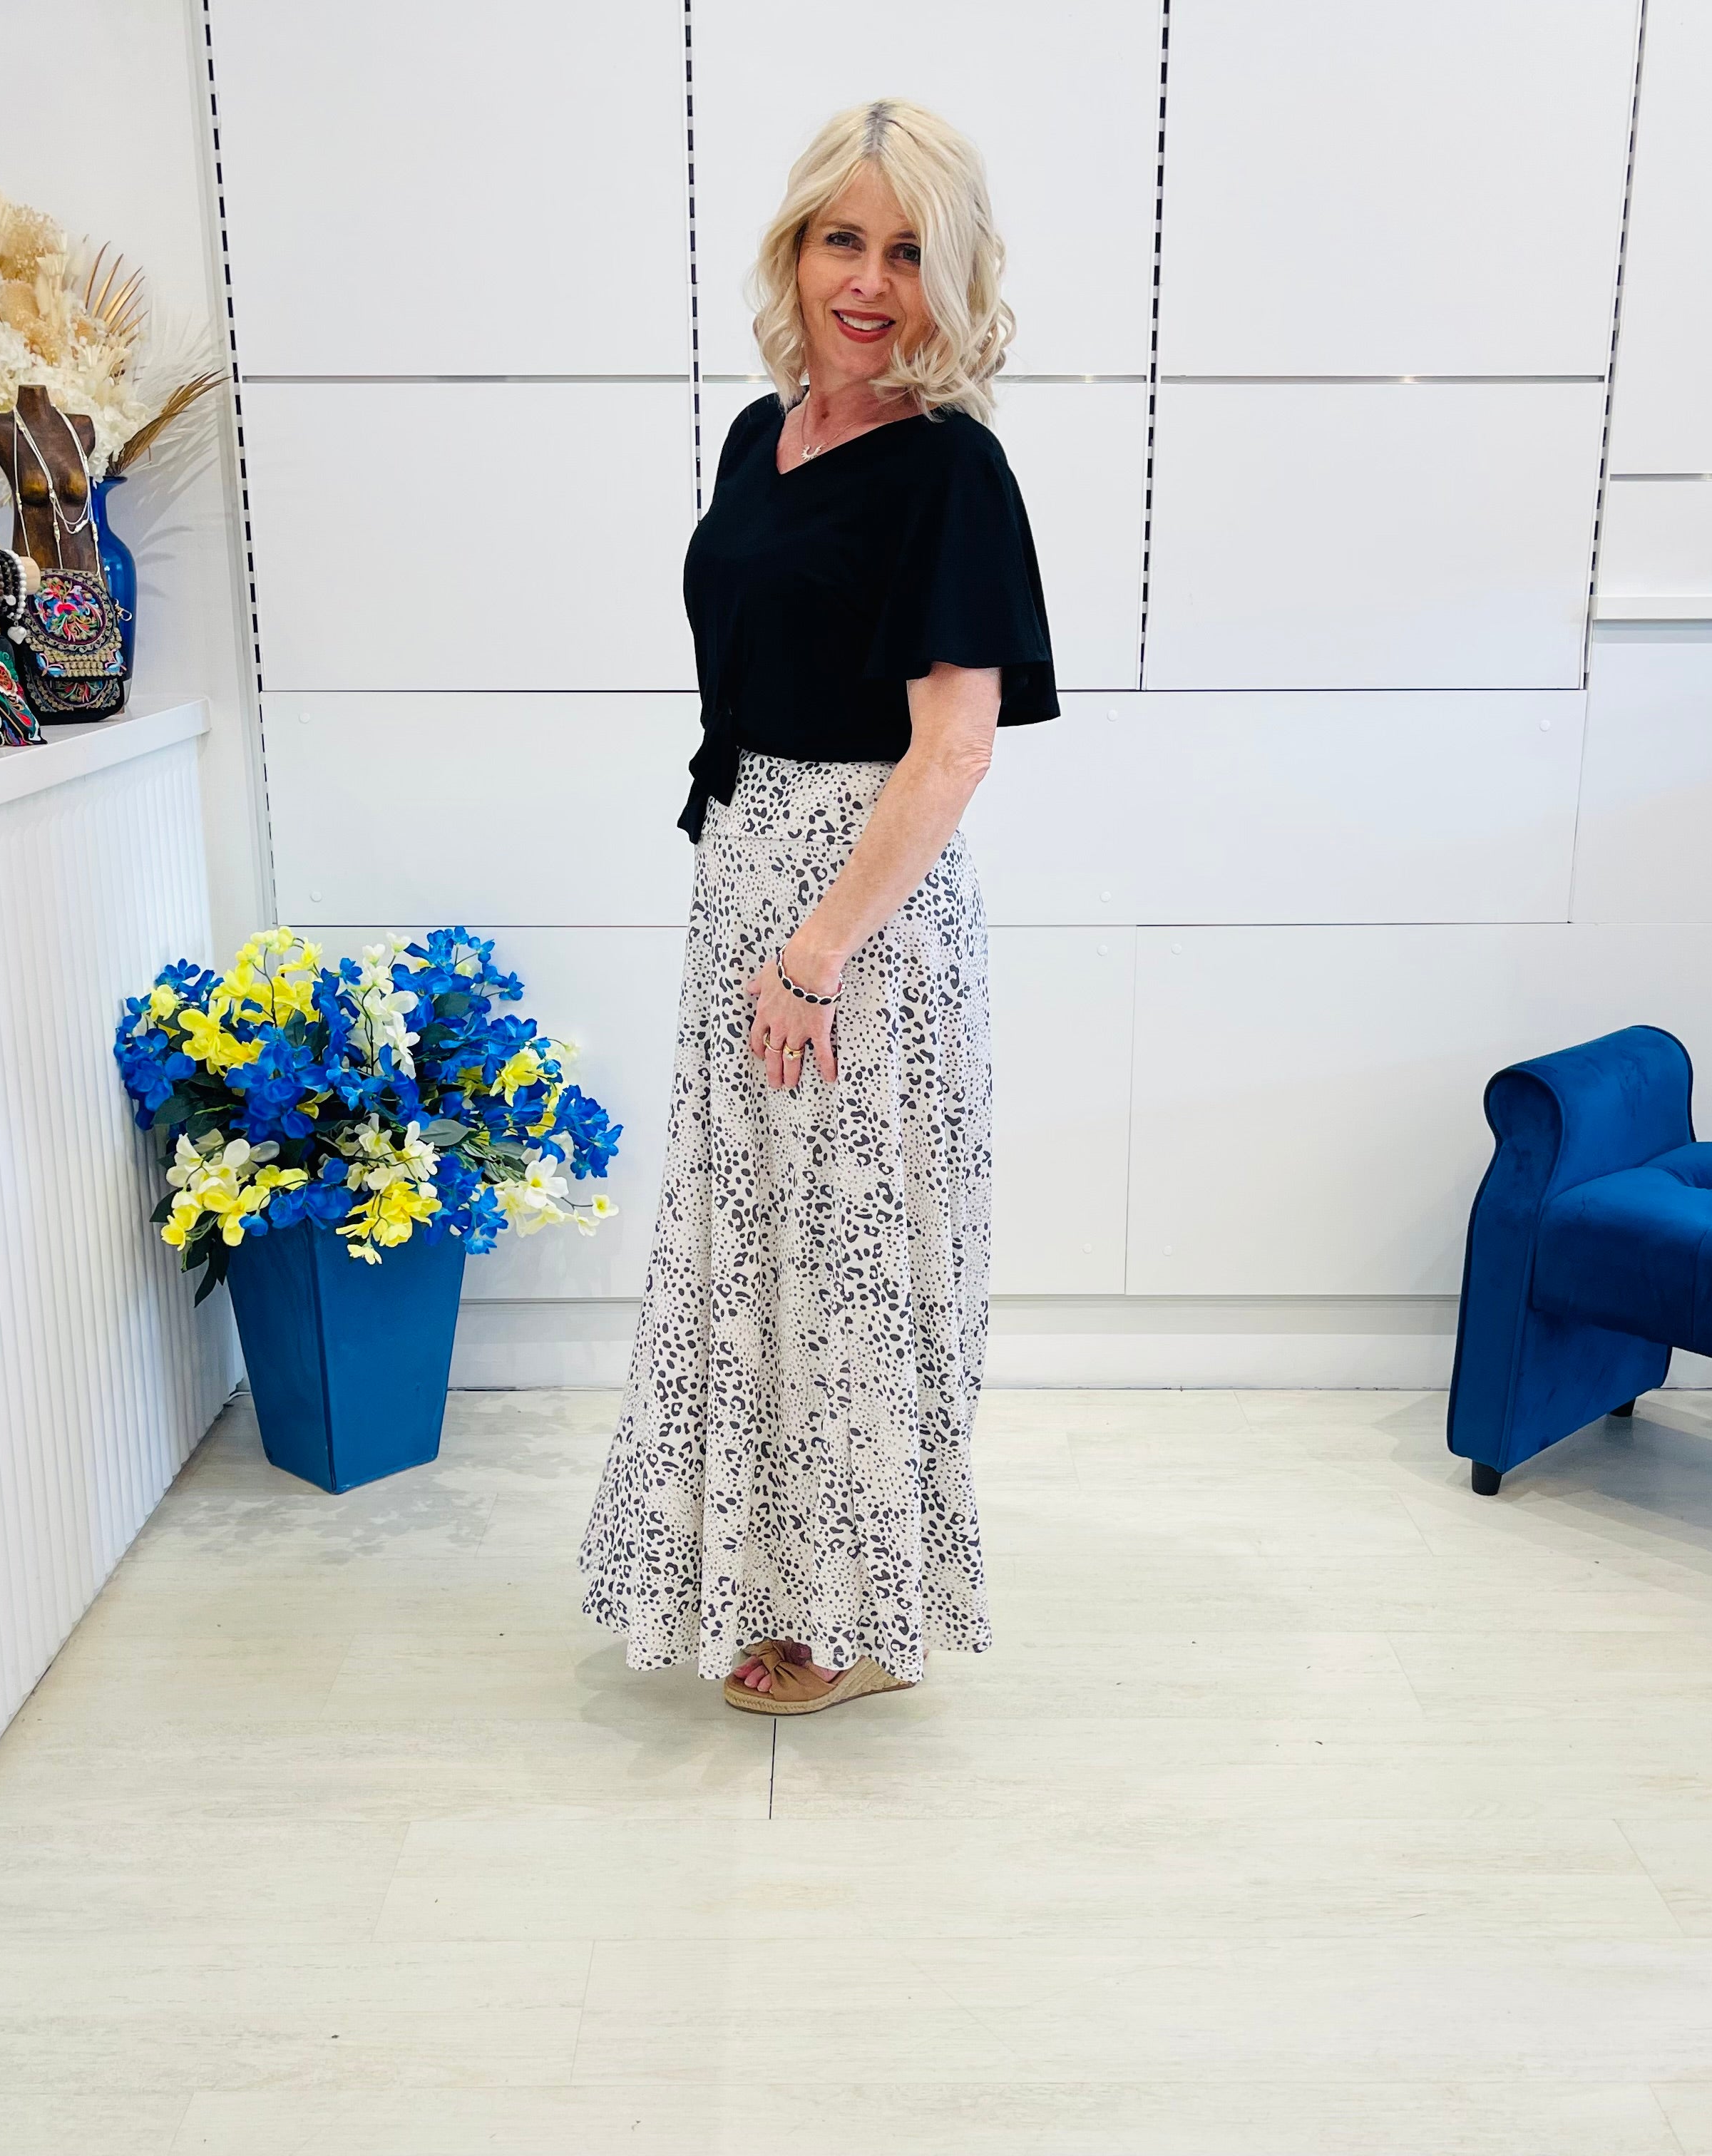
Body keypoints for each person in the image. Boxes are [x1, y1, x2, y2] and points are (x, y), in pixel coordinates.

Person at [580, 98, 1057, 1715]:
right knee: (758, 1257)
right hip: (748, 883)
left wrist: (817, 950)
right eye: (843, 239)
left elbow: (955, 745)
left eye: (910, 250)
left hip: (858, 915)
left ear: (957, 275)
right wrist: (755, 917)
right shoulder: (760, 436)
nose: (871, 281)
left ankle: (857, 1621)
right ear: (796, 249)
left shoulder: (952, 473)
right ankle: (766, 1581)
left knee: (853, 1256)